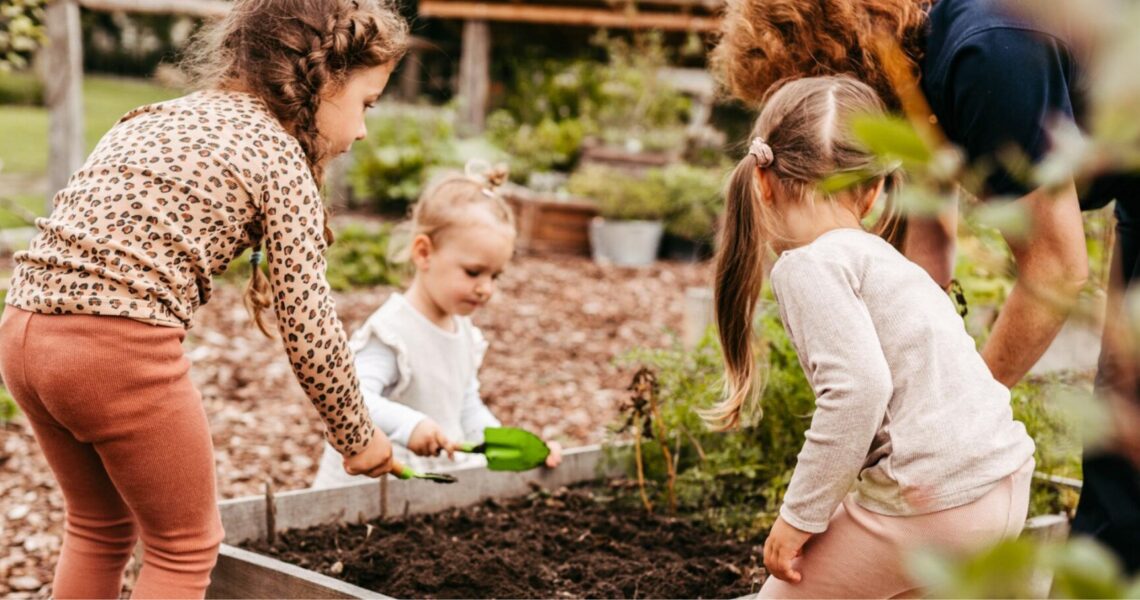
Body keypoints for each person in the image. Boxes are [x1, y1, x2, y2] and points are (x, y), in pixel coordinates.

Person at [712, 0, 1140, 572]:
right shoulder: (917, 91)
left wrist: (960, 417)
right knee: (1122, 431)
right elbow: (930, 247)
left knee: (1126, 457)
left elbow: (1057, 266)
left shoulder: (987, 54)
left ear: (833, 68)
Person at [0, 0, 408, 596]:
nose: (364, 129)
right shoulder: (277, 154)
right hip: (115, 350)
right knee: (183, 547)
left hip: (22, 332)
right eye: (366, 104)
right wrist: (357, 435)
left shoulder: (153, 116)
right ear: (321, 79)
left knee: (98, 526)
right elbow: (310, 323)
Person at [707, 75, 1036, 597]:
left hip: (931, 507)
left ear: (762, 180)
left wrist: (799, 517)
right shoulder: (884, 261)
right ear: (873, 192)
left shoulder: (810, 265)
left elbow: (857, 392)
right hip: (1002, 489)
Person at [312, 164, 562, 488]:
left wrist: (514, 448)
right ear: (424, 253)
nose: (486, 288)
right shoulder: (393, 332)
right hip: (366, 494)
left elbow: (467, 410)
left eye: (495, 276)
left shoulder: (464, 333)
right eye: (474, 273)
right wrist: (410, 424)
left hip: (421, 495)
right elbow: (351, 398)